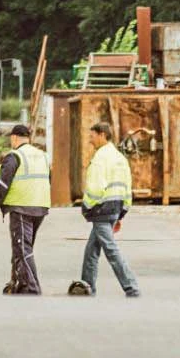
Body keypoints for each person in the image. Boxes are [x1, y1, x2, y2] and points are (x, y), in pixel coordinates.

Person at [68, 122, 140, 298]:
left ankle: (131, 286)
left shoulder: (100, 158)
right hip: (115, 207)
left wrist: (87, 206)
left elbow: (96, 188)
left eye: (92, 136)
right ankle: (87, 286)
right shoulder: (119, 157)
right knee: (91, 251)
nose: (90, 140)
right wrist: (123, 211)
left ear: (102, 135)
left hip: (101, 209)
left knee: (110, 249)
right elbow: (127, 186)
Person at [0, 125, 50, 295]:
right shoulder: (42, 156)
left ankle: (33, 288)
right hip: (40, 206)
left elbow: (2, 185)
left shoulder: (14, 156)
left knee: (22, 249)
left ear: (14, 138)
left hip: (21, 207)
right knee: (24, 249)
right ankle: (20, 283)